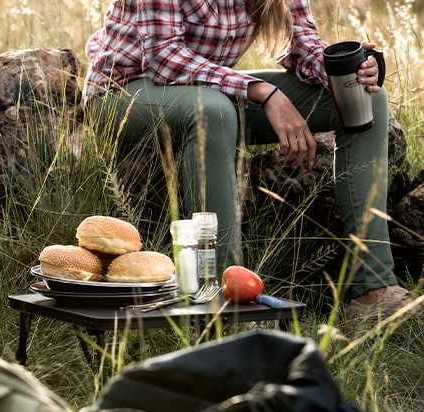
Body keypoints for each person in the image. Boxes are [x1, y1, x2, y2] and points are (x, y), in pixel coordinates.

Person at [81, 0, 409, 319]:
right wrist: (263, 92)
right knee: (213, 110)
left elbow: (304, 47)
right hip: (121, 93)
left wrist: (350, 72)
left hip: (206, 88)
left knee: (367, 100)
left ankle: (373, 289)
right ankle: (225, 298)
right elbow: (165, 59)